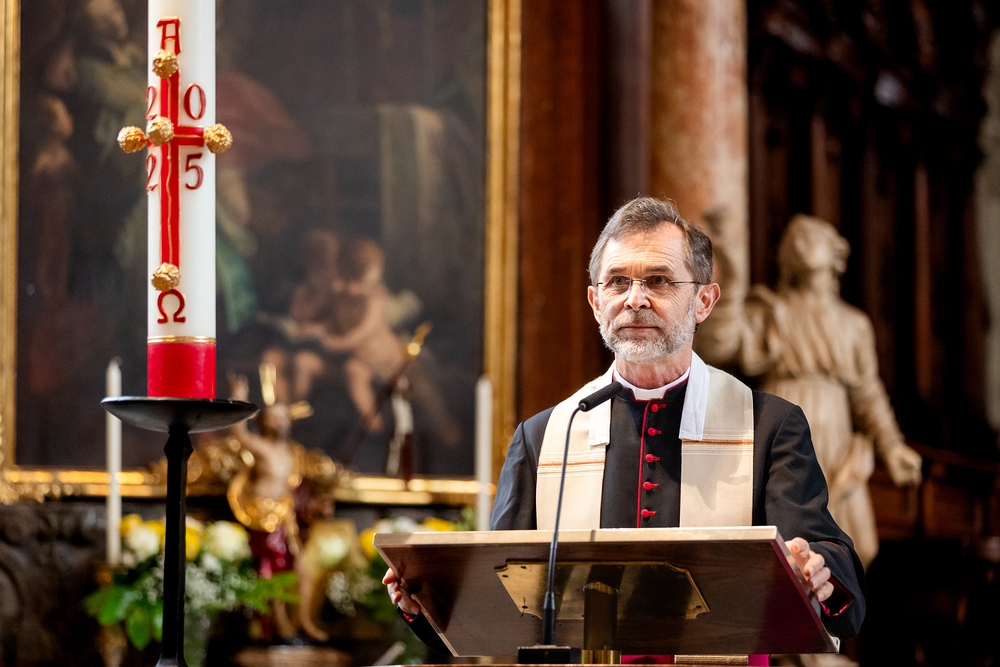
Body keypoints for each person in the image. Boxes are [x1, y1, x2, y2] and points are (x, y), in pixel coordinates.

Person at [384, 197, 866, 651]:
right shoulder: (545, 437)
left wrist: (817, 571)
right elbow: (497, 598)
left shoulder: (768, 427)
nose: (635, 299)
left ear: (704, 301)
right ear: (596, 302)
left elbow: (832, 574)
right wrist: (421, 602)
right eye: (617, 282)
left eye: (659, 280)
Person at [695, 210, 921, 568]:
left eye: (811, 237)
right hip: (781, 424)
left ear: (834, 254)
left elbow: (867, 393)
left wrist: (892, 447)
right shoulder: (771, 311)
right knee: (783, 540)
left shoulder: (853, 324)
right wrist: (733, 276)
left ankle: (834, 603)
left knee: (853, 544)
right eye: (794, 240)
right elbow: (717, 345)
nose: (800, 243)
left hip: (835, 438)